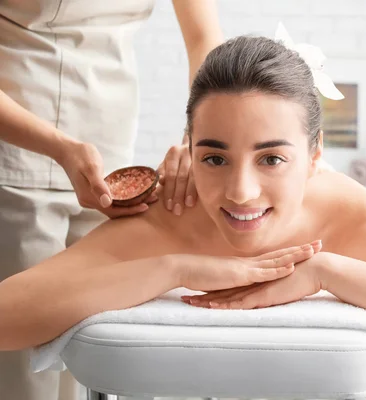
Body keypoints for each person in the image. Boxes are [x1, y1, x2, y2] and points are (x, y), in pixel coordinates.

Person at [0, 35, 366, 381]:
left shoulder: (353, 216)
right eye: (215, 158)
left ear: (315, 155)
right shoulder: (169, 217)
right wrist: (173, 269)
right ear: (188, 146)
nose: (241, 191)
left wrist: (326, 270)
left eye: (271, 157)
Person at [0, 1, 223, 399]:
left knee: (90, 347)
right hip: (18, 141)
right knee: (22, 365)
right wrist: (60, 147)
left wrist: (198, 137)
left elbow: (204, 38)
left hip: (110, 142)